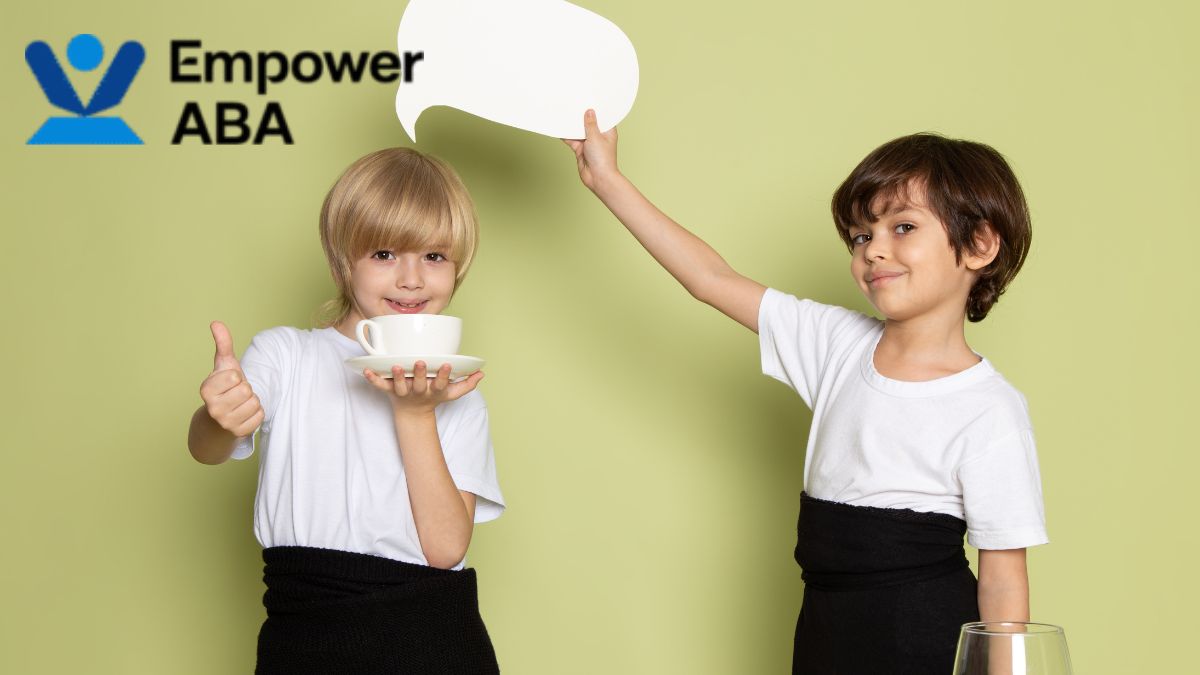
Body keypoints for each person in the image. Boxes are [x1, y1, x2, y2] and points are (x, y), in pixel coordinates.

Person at [565, 110, 1047, 674]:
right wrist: (608, 181)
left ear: (980, 245)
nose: (873, 249)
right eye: (862, 234)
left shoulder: (990, 408)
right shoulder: (836, 345)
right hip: (825, 626)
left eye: (903, 227)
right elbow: (711, 279)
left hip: (925, 636)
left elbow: (1003, 578)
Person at [186, 148, 505, 674]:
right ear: (342, 259)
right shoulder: (287, 355)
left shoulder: (458, 393)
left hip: (429, 639)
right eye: (383, 253)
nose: (411, 279)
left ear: (457, 267)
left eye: (434, 256)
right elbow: (208, 448)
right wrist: (219, 418)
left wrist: (416, 413)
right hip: (303, 629)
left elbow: (445, 550)